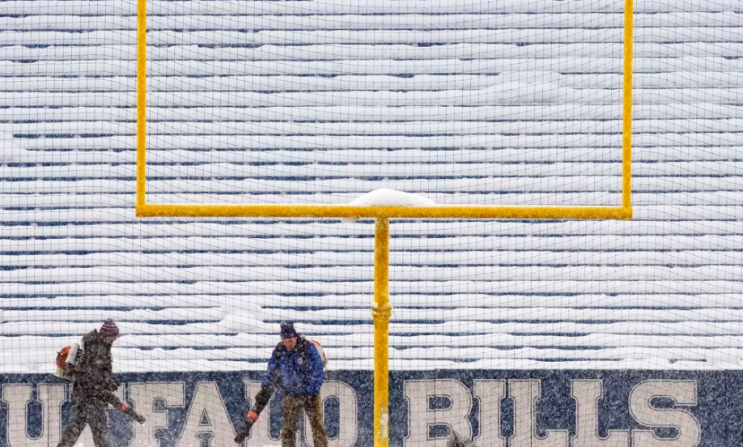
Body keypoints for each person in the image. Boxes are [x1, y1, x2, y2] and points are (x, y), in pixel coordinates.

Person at [235, 322, 327, 447]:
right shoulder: (279, 351)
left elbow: (317, 371)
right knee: (288, 429)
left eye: (290, 340)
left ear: (295, 337)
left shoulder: (307, 348)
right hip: (291, 395)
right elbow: (271, 372)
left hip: (310, 394)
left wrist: (312, 392)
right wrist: (265, 388)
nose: (288, 343)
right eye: (285, 340)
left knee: (317, 427)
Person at [58, 319, 146, 447]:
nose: (114, 339)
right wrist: (128, 410)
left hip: (82, 400)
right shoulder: (98, 352)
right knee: (101, 440)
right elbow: (93, 383)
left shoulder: (94, 347)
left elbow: (91, 375)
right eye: (113, 337)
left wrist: (107, 381)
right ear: (107, 336)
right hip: (93, 404)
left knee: (70, 436)